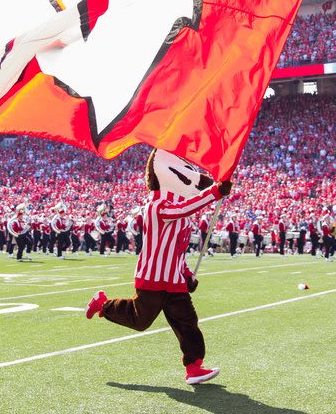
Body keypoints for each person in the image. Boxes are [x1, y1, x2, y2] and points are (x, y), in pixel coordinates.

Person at [86, 149, 231, 385]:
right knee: (140, 320)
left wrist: (185, 275)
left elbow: (177, 251)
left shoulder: (183, 215)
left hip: (173, 281)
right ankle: (103, 305)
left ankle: (194, 367)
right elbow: (180, 209)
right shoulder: (156, 206)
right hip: (152, 277)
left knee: (187, 323)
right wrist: (214, 192)